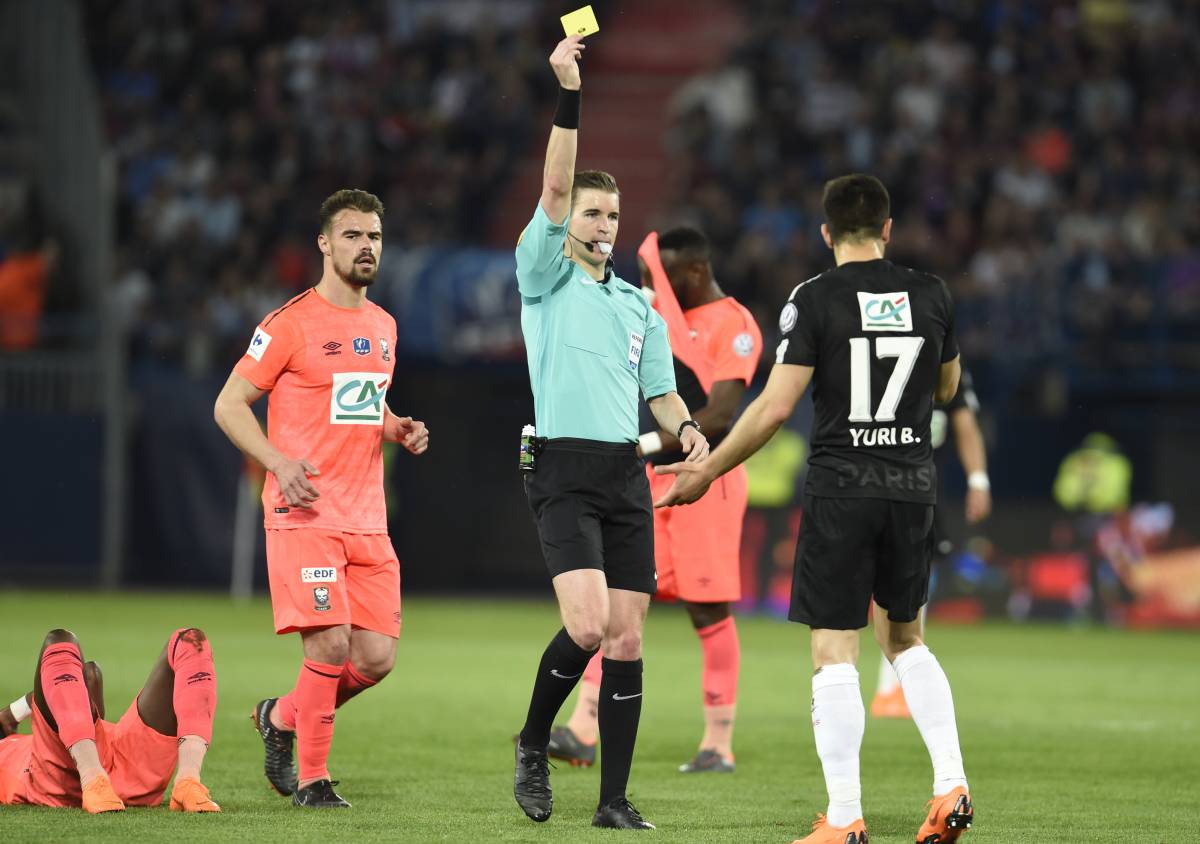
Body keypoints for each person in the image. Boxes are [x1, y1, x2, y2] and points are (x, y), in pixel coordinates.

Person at [656, 174, 973, 844]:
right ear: (887, 229)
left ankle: (845, 816)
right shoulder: (932, 294)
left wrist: (707, 468)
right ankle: (951, 783)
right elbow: (947, 388)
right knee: (906, 640)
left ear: (827, 233)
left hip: (842, 489)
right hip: (912, 488)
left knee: (835, 649)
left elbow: (774, 409)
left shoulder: (814, 298)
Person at [511, 35, 709, 832]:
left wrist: (687, 429)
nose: (604, 222)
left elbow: (660, 392)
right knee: (587, 627)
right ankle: (532, 743)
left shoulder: (638, 306)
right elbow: (556, 183)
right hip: (561, 467)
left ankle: (614, 802)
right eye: (592, 212)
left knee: (626, 640)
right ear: (568, 221)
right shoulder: (544, 274)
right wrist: (570, 92)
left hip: (626, 473)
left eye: (614, 214)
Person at [213, 189, 430, 809]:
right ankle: (313, 780)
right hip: (304, 513)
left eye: (374, 237)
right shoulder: (288, 324)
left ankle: (280, 716)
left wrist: (396, 426)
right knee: (330, 645)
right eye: (353, 235)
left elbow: (360, 405)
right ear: (324, 244)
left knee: (376, 658)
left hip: (367, 518)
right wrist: (278, 462)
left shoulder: (383, 326)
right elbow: (229, 404)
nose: (366, 247)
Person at [549, 226, 761, 774]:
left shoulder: (733, 324)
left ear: (692, 272)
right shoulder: (653, 316)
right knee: (619, 598)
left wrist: (639, 442)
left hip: (707, 476)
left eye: (656, 277)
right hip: (650, 478)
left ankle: (718, 743)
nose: (647, 287)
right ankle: (583, 730)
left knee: (707, 608)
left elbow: (720, 415)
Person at [871, 368, 990, 718]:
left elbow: (964, 422)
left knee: (914, 582)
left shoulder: (945, 367)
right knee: (884, 584)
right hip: (869, 483)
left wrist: (978, 479)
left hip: (921, 487)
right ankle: (879, 685)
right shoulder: (874, 355)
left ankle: (893, 686)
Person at [0, 626, 219, 814]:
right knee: (58, 640)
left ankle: (188, 781)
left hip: (119, 761)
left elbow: (72, 684)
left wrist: (11, 714)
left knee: (190, 639)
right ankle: (93, 779)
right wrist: (12, 713)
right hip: (61, 778)